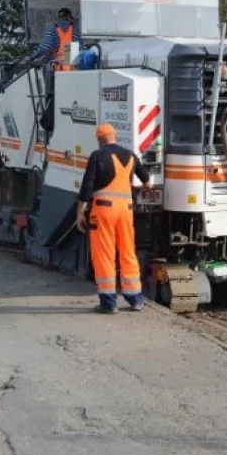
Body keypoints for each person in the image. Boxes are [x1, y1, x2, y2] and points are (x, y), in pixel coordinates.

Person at [76, 123, 152, 314]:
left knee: (104, 254)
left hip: (103, 210)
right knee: (127, 251)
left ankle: (109, 303)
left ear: (99, 140)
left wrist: (80, 214)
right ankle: (136, 299)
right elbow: (148, 183)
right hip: (126, 211)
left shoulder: (97, 155)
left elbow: (87, 188)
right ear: (115, 136)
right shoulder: (130, 156)